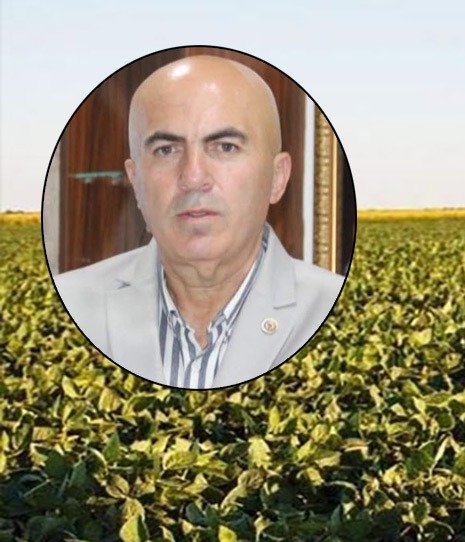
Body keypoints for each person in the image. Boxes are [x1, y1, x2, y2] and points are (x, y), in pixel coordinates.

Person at [52, 55, 344, 389]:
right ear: (136, 182)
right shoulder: (69, 303)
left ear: (277, 178)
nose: (193, 177)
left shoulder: (333, 310)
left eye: (225, 146)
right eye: (166, 150)